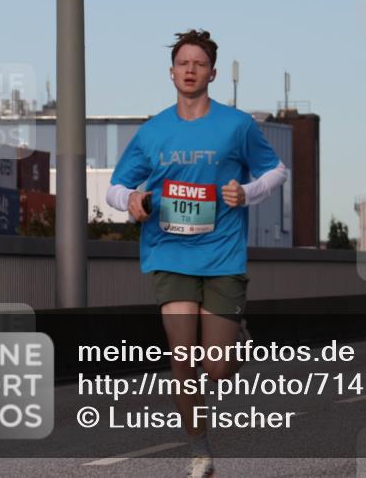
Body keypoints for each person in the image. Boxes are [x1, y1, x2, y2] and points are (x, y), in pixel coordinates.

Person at [105, 29, 288, 478]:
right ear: (171, 73)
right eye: (183, 63)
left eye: (198, 64)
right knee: (182, 358)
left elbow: (278, 170)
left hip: (224, 256)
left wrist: (247, 193)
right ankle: (199, 450)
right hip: (170, 253)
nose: (190, 70)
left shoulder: (237, 125)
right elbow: (116, 187)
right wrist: (130, 202)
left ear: (212, 73)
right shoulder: (153, 131)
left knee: (217, 366)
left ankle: (237, 341)